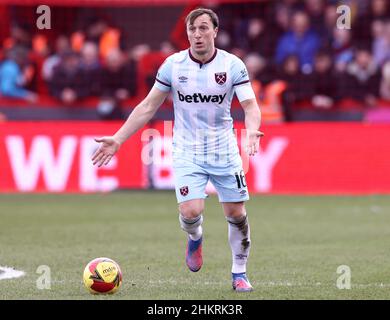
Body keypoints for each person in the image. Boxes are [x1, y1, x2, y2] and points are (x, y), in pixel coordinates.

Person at [92, 8, 263, 292]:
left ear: (215, 32)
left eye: (204, 28)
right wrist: (119, 139)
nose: (197, 35)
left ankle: (239, 273)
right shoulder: (173, 65)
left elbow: (249, 106)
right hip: (187, 148)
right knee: (190, 211)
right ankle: (195, 237)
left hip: (223, 149)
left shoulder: (233, 65)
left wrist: (253, 129)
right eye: (192, 29)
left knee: (236, 213)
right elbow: (148, 106)